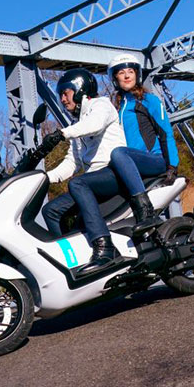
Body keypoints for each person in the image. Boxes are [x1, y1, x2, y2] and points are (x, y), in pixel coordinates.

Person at [39, 68, 151, 274]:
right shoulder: (76, 123)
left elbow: (95, 125)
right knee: (51, 211)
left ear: (80, 89)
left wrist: (60, 134)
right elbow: (72, 163)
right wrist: (42, 179)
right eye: (61, 95)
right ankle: (69, 261)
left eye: (66, 93)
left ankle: (106, 248)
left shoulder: (101, 105)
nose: (63, 99)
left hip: (115, 173)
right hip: (95, 181)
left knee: (77, 183)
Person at [107, 54, 180, 235]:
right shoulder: (117, 107)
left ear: (137, 75)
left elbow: (166, 132)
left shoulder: (149, 100)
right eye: (121, 73)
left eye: (130, 71)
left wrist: (172, 164)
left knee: (118, 153)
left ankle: (145, 211)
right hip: (130, 164)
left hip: (154, 159)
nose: (126, 76)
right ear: (115, 78)